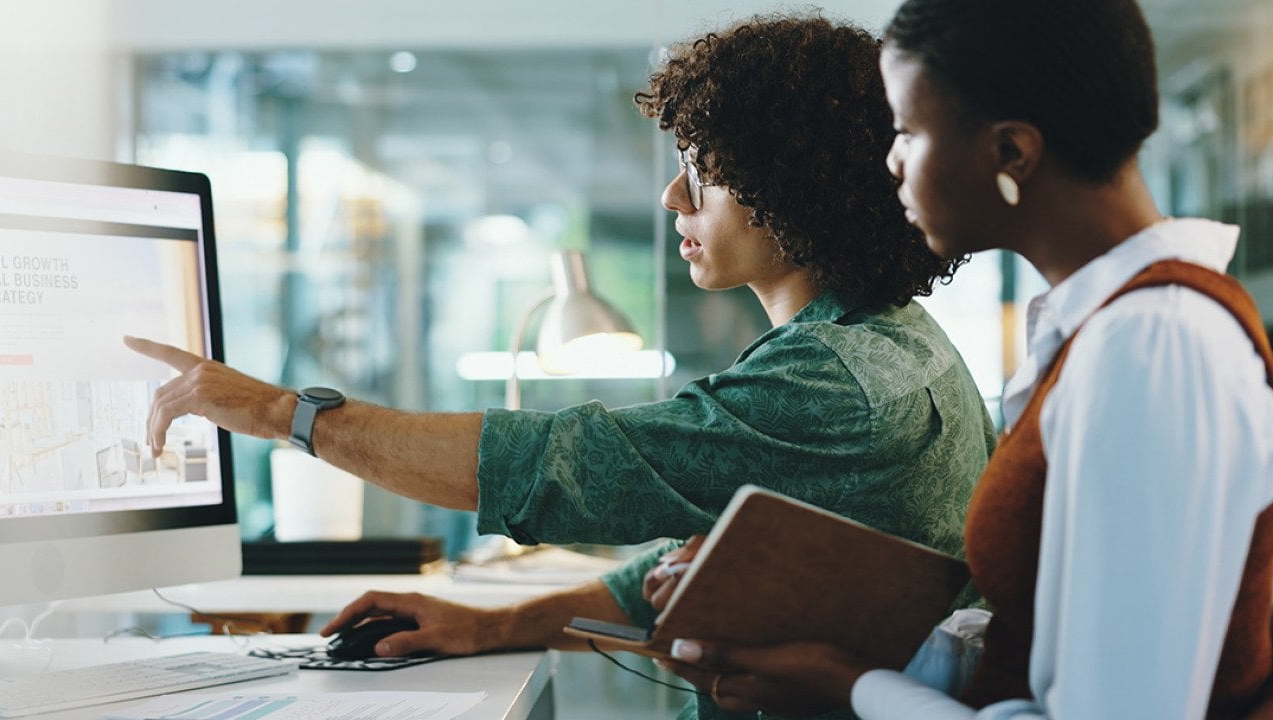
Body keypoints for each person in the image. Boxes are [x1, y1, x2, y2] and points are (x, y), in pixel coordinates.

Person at [126, 13, 993, 719]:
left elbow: (555, 468)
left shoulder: (835, 385)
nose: (673, 198)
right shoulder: (892, 344)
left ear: (792, 187)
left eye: (703, 171)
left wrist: (285, 414)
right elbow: (714, 572)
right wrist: (492, 624)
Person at [655, 1, 1273, 718]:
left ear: (1012, 152)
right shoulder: (1104, 331)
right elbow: (1054, 656)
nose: (890, 163)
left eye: (910, 132)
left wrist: (849, 686)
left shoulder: (1149, 345)